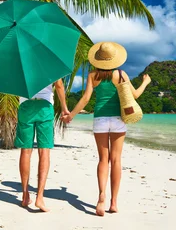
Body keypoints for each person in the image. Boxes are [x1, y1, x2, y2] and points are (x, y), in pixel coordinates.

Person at [63, 42, 151, 216]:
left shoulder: (93, 75)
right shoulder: (121, 74)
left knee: (103, 160)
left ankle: (101, 195)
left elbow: (86, 99)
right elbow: (135, 95)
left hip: (100, 119)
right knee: (116, 160)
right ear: (115, 58)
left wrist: (71, 115)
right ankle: (114, 203)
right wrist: (145, 82)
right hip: (119, 119)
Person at [14, 79, 69, 212]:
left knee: (26, 151)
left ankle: (25, 195)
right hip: (45, 107)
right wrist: (64, 108)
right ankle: (39, 197)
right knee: (44, 151)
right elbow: (59, 85)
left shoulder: (21, 61)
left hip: (26, 105)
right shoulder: (50, 61)